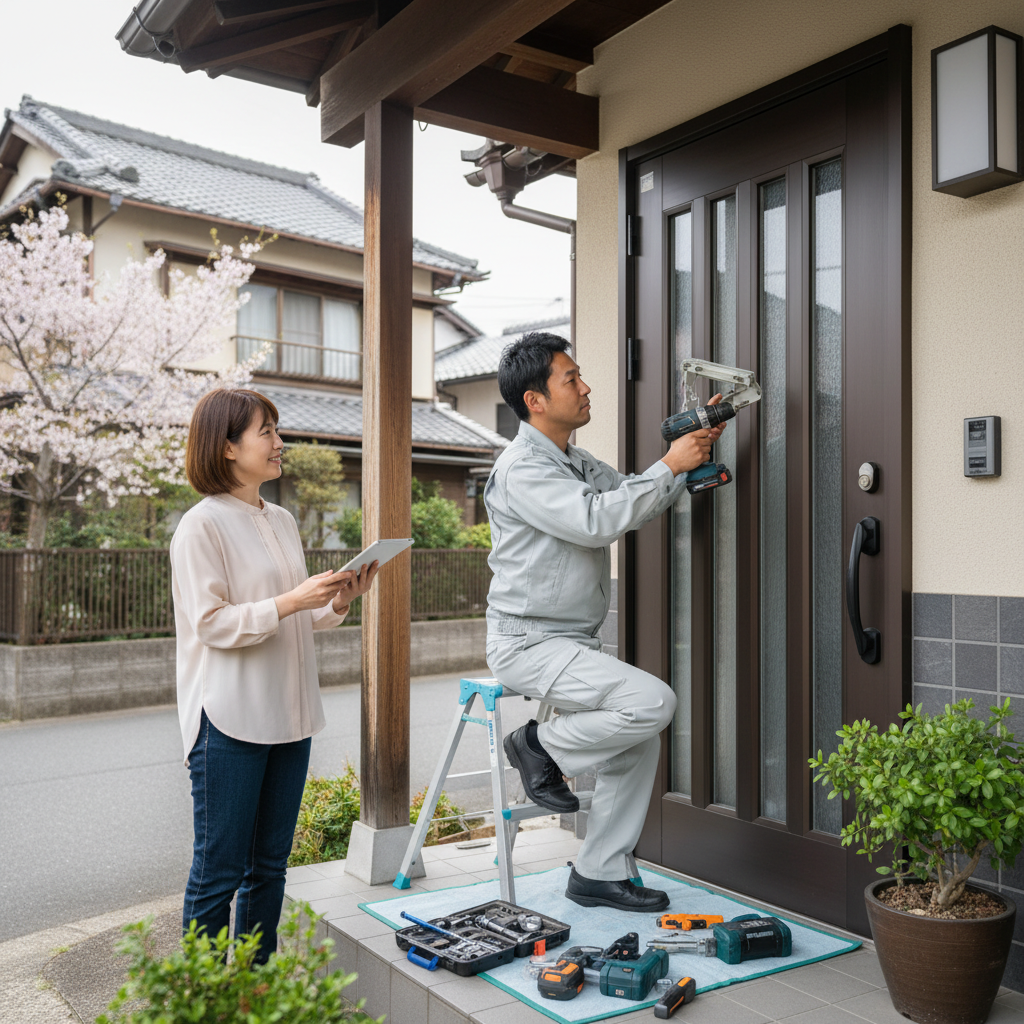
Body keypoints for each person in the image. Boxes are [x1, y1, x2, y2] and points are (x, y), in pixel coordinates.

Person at [485, 333, 725, 912]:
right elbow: (596, 521)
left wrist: (688, 454)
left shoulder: (573, 459)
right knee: (652, 702)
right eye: (571, 379)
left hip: (566, 640)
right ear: (535, 400)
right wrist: (669, 464)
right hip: (527, 641)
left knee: (636, 742)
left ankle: (598, 872)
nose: (585, 386)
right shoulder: (523, 469)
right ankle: (535, 744)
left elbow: (631, 498)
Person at [170, 388, 378, 961]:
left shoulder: (281, 519)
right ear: (227, 446)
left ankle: (254, 985)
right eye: (267, 432)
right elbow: (211, 624)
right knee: (219, 870)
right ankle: (204, 995)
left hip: (291, 716)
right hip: (229, 718)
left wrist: (337, 600)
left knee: (270, 867)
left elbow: (296, 618)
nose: (279, 442)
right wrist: (291, 600)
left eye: (275, 430)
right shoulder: (200, 526)